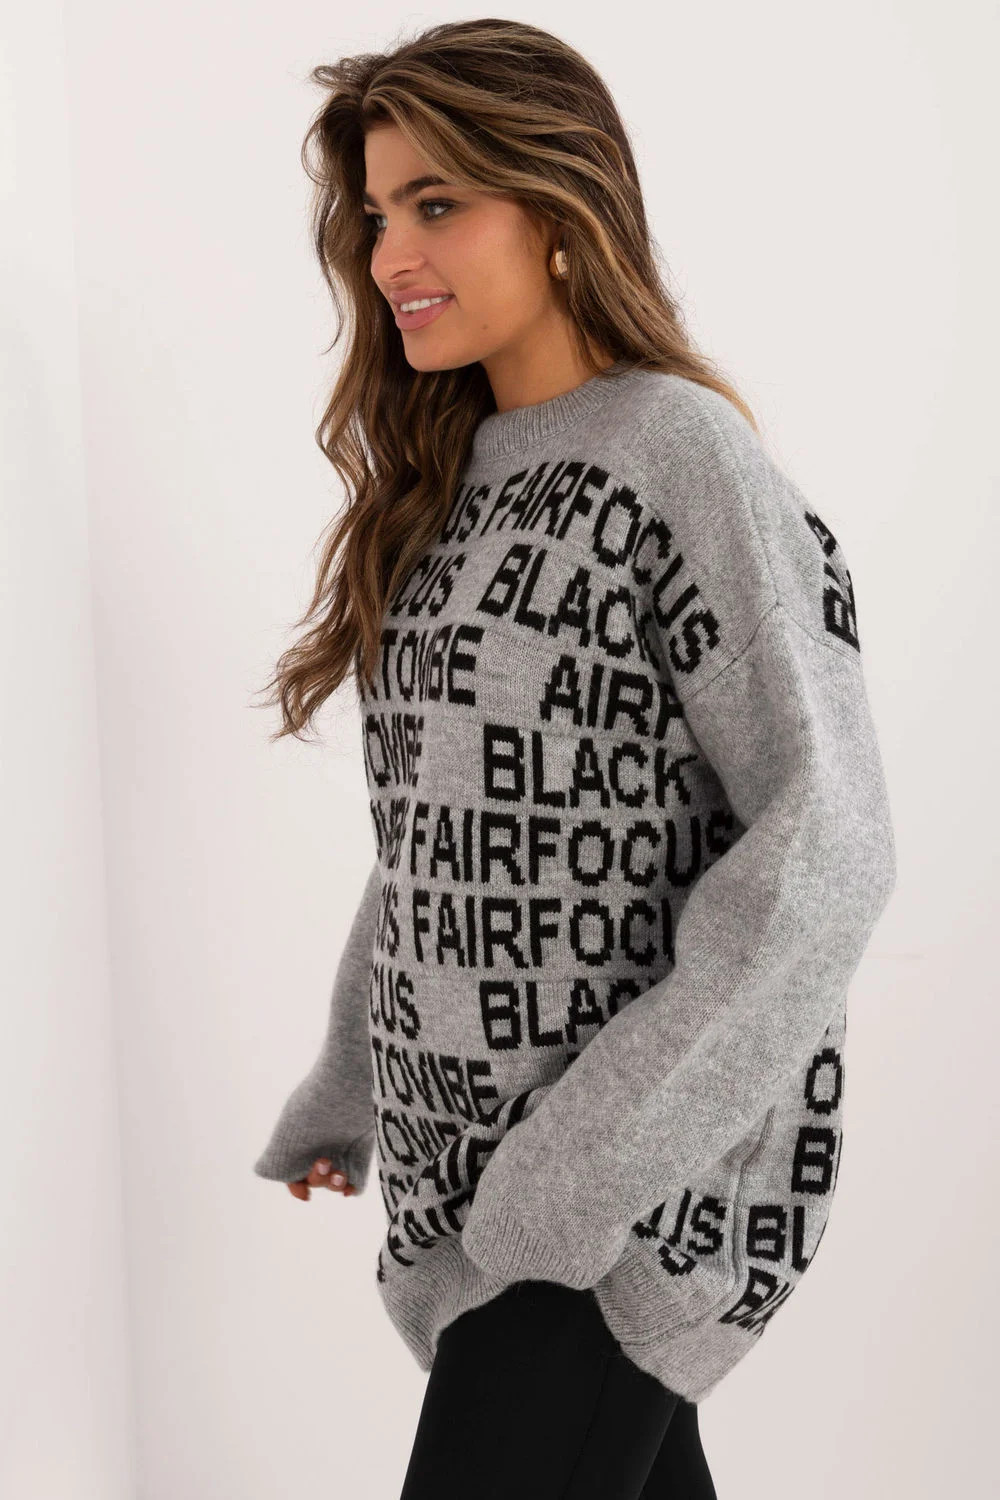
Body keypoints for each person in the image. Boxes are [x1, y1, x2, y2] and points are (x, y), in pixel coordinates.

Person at [252, 19, 897, 1498]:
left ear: (557, 206)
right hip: (478, 1190)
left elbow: (829, 842)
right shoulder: (453, 482)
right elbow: (440, 839)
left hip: (616, 1209)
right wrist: (348, 1085)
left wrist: (582, 1172)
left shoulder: (678, 456)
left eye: (435, 203)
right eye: (375, 213)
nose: (389, 254)